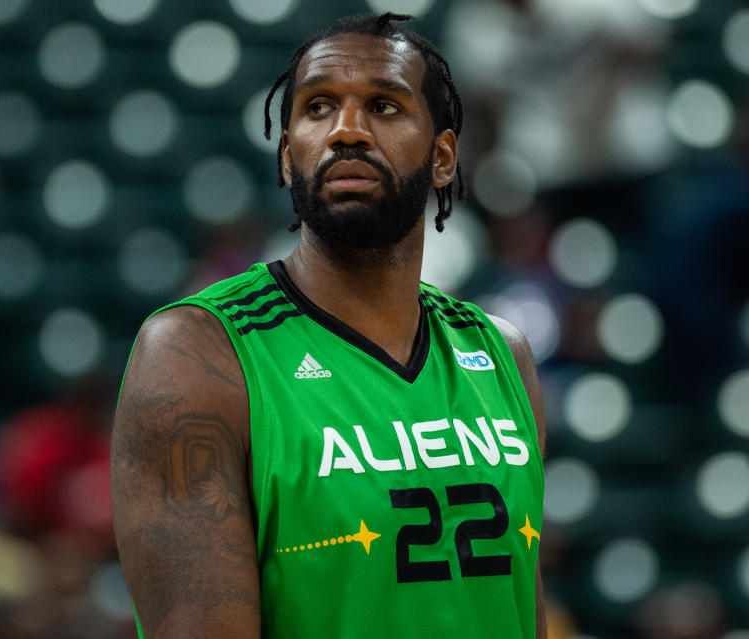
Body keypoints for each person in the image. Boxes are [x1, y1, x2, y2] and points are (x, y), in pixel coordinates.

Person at [112, 12, 546, 639]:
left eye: (384, 106)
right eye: (318, 107)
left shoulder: (503, 354)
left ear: (444, 157)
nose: (347, 131)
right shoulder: (197, 355)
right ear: (288, 159)